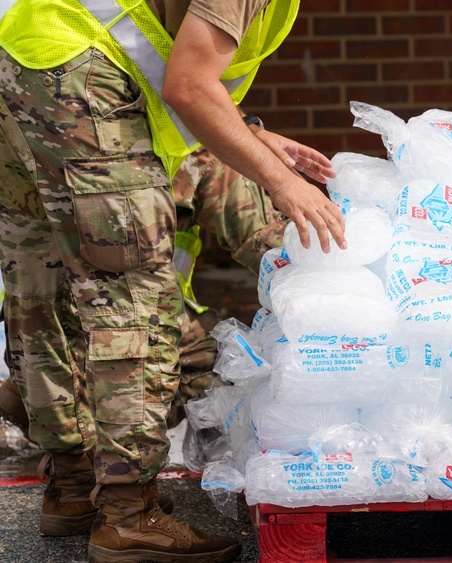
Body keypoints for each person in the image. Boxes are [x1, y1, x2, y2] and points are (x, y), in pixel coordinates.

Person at [0, 1, 342, 561]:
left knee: (41, 292)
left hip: (24, 63)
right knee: (134, 303)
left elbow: (163, 57)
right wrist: (284, 183)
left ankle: (71, 487)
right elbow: (187, 85)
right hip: (75, 80)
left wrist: (253, 136)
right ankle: (128, 517)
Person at [0, 146, 288, 435]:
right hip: (131, 332)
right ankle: (114, 440)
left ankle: (44, 408)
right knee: (225, 359)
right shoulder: (194, 145)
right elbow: (263, 240)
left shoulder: (33, 128)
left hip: (38, 341)